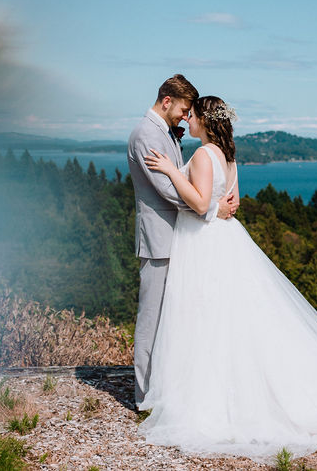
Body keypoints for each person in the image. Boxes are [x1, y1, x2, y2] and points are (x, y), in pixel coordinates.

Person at [139, 96, 317, 460]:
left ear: (205, 121)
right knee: (230, 319)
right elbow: (234, 202)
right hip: (226, 239)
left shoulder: (200, 156)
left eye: (193, 115)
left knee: (206, 318)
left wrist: (170, 170)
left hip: (203, 243)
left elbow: (199, 205)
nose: (189, 120)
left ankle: (210, 398)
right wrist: (219, 207)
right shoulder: (228, 157)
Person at [127, 75, 238, 409]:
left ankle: (170, 391)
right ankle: (144, 398)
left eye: (191, 113)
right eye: (183, 110)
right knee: (152, 319)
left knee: (180, 319)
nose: (185, 117)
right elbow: (166, 190)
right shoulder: (146, 134)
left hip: (185, 240)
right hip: (160, 239)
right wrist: (211, 209)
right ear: (166, 102)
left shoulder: (169, 135)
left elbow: (185, 187)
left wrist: (209, 206)